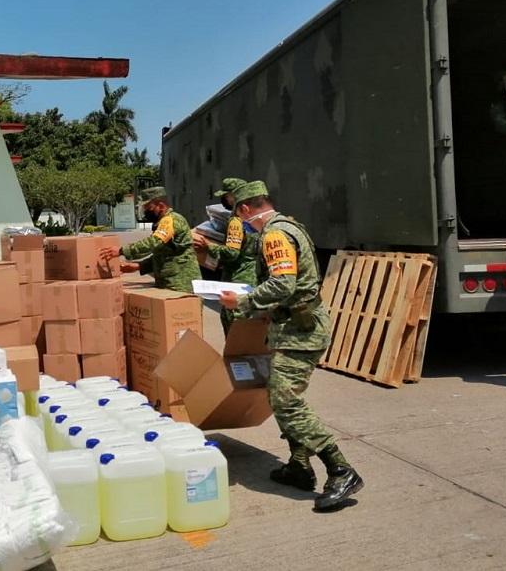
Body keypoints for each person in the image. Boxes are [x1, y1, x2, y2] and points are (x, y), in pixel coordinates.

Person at [219, 180, 362, 511]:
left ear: (244, 209)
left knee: (284, 401)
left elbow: (282, 283)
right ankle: (299, 466)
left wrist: (241, 303)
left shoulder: (273, 234)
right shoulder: (289, 226)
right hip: (296, 327)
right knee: (284, 396)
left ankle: (340, 470)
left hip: (301, 333)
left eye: (235, 213)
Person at [99, 186, 200, 294]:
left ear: (161, 206)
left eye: (148, 208)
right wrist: (139, 266)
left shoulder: (170, 220)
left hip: (182, 284)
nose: (146, 212)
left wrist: (121, 250)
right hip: (171, 283)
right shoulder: (162, 222)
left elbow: (153, 242)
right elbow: (164, 255)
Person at [194, 178, 260, 335]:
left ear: (234, 196)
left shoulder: (236, 222)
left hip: (236, 279)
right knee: (250, 326)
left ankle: (235, 357)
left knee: (233, 324)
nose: (222, 200)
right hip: (253, 277)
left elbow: (232, 253)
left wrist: (208, 247)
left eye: (225, 196)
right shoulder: (254, 219)